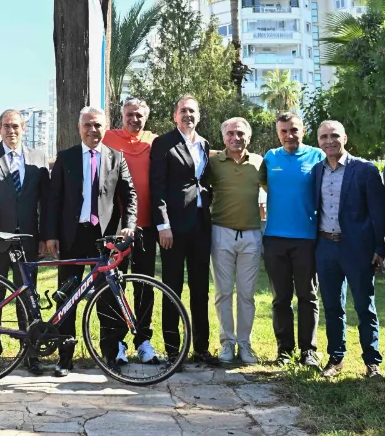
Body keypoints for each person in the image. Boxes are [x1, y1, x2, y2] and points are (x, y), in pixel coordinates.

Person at [43, 106, 137, 377]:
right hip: (71, 237)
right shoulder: (66, 158)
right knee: (67, 298)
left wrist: (129, 226)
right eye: (87, 125)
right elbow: (53, 199)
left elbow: (129, 195)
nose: (92, 130)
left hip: (105, 239)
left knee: (108, 297)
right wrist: (50, 234)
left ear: (105, 127)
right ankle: (65, 356)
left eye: (97, 125)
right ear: (79, 127)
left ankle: (109, 355)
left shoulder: (116, 158)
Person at [0, 109, 50, 375]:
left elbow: (45, 201)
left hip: (27, 241)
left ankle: (31, 354)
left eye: (15, 126)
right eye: (6, 126)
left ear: (24, 128)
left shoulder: (39, 158)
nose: (11, 130)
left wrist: (45, 235)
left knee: (29, 299)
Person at [313, 121, 385, 378]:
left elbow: (378, 213)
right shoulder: (316, 171)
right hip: (325, 247)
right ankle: (335, 358)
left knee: (365, 307)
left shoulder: (365, 170)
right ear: (318, 141)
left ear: (345, 137)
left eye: (334, 136)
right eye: (324, 137)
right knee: (332, 306)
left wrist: (380, 247)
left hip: (357, 249)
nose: (329, 141)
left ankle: (372, 362)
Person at [150, 96, 220, 367]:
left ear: (198, 116)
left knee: (200, 288)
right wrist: (163, 225)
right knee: (172, 287)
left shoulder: (204, 144)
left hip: (201, 225)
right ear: (174, 115)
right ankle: (173, 351)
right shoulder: (163, 143)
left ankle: (201, 348)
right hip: (174, 228)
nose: (188, 115)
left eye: (192, 111)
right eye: (183, 111)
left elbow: (200, 181)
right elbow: (158, 186)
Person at [260, 112, 325, 368]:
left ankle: (308, 351)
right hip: (274, 238)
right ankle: (284, 351)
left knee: (307, 296)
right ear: (278, 133)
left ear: (303, 130)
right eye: (284, 131)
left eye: (294, 130)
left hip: (307, 239)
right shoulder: (270, 157)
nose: (289, 135)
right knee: (280, 299)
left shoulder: (317, 156)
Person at [101, 97, 162, 365]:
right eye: (130, 114)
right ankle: (117, 343)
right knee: (116, 286)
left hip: (146, 226)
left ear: (145, 117)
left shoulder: (154, 141)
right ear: (121, 115)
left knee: (144, 287)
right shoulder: (108, 138)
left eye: (139, 115)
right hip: (116, 228)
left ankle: (144, 341)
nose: (134, 119)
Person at [208, 117, 263, 365]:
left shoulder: (260, 163)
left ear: (248, 137)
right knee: (223, 293)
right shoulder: (213, 163)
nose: (235, 137)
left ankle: (245, 343)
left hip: (251, 234)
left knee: (247, 294)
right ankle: (227, 343)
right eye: (230, 133)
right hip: (221, 232)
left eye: (241, 133)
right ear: (223, 137)